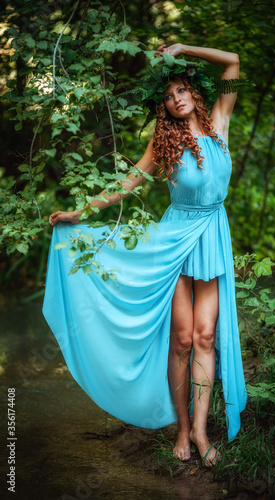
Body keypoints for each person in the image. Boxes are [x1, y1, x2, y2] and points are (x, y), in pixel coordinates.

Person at [44, 43, 247, 468]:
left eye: (181, 90)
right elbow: (124, 186)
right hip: (173, 240)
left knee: (206, 337)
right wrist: (79, 213)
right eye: (169, 96)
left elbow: (231, 62)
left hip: (212, 234)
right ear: (165, 107)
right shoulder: (163, 146)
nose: (177, 99)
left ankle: (200, 429)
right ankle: (179, 426)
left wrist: (184, 48)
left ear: (193, 91)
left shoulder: (221, 126)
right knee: (183, 340)